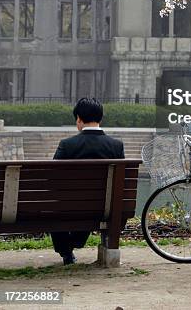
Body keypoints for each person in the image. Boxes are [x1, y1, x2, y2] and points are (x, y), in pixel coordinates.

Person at [51, 97, 125, 265]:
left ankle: (66, 250)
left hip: (68, 208)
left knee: (54, 207)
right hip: (104, 208)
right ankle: (74, 244)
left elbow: (52, 178)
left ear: (79, 119)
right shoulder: (116, 146)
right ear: (100, 119)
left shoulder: (67, 145)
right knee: (90, 206)